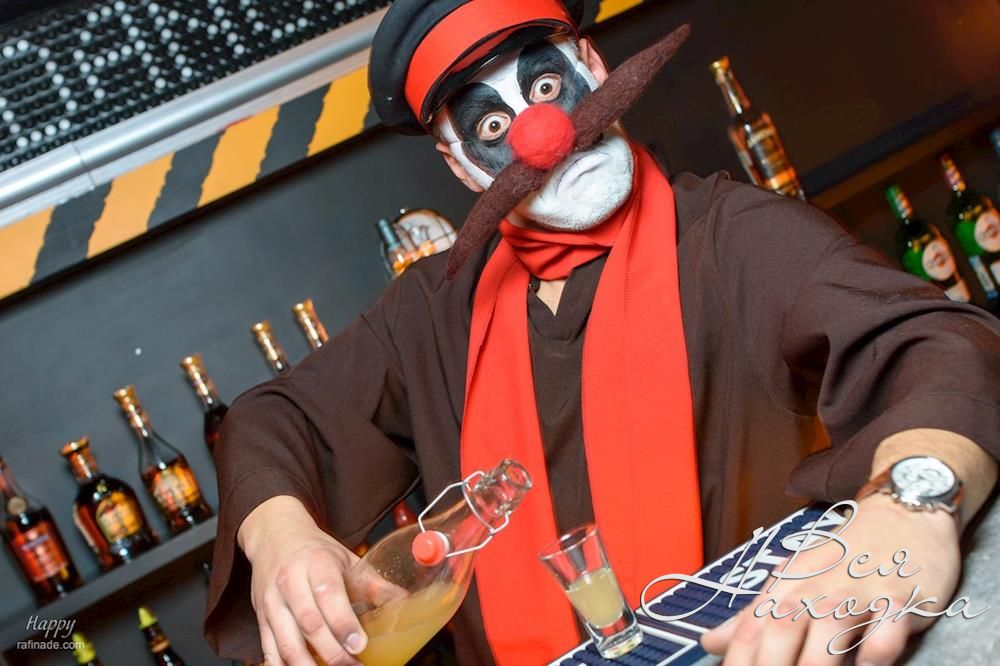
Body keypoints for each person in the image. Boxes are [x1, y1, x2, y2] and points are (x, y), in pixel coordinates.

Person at [203, 1, 1000, 665]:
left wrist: (909, 505)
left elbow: (936, 345)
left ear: (592, 61)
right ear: (458, 164)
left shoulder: (735, 237)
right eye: (492, 126)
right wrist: (281, 538)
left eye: (548, 84)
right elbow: (275, 418)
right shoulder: (432, 312)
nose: (543, 133)